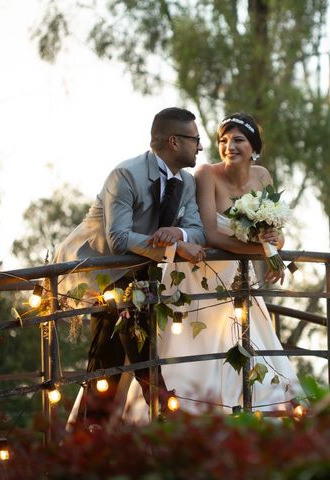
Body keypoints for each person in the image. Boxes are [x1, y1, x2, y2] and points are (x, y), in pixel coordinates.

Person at [123, 113, 302, 421]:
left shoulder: (262, 177)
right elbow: (210, 233)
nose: (229, 146)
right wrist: (261, 253)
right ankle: (189, 417)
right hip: (198, 279)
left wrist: (274, 243)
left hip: (237, 279)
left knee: (251, 348)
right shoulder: (206, 174)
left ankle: (252, 419)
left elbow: (277, 232)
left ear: (254, 147)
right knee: (193, 353)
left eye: (238, 140)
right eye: (223, 140)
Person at [55, 107, 207, 426]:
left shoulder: (188, 183)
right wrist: (177, 246)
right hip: (98, 271)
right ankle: (163, 408)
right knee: (118, 348)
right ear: (174, 141)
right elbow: (119, 239)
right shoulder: (125, 175)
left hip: (139, 273)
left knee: (108, 359)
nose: (200, 147)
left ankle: (94, 430)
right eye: (195, 139)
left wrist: (177, 232)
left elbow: (198, 230)